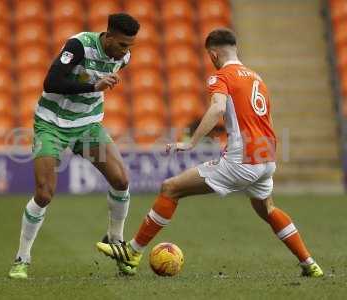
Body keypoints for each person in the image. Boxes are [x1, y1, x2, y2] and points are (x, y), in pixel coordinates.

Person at [96, 28, 324, 277]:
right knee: (268, 209)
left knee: (170, 188)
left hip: (242, 159)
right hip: (266, 155)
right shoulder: (257, 78)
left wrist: (191, 143)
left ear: (213, 54)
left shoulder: (221, 76)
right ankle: (309, 263)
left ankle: (132, 252)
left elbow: (217, 109)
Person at [8, 13, 140, 279]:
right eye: (123, 44)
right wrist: (94, 85)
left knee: (121, 180)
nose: (126, 51)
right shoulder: (79, 46)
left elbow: (102, 81)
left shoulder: (122, 58)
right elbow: (52, 82)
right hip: (51, 124)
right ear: (109, 36)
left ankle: (115, 243)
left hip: (88, 126)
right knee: (44, 194)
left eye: (131, 45)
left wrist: (96, 89)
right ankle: (22, 259)